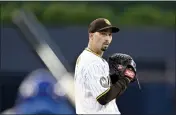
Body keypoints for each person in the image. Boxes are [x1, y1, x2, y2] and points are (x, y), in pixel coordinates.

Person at [74, 18, 136, 114]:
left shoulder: (89, 57)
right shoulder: (92, 61)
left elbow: (102, 88)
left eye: (109, 35)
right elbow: (104, 98)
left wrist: (116, 78)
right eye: (103, 34)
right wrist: (126, 78)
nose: (107, 39)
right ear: (91, 35)